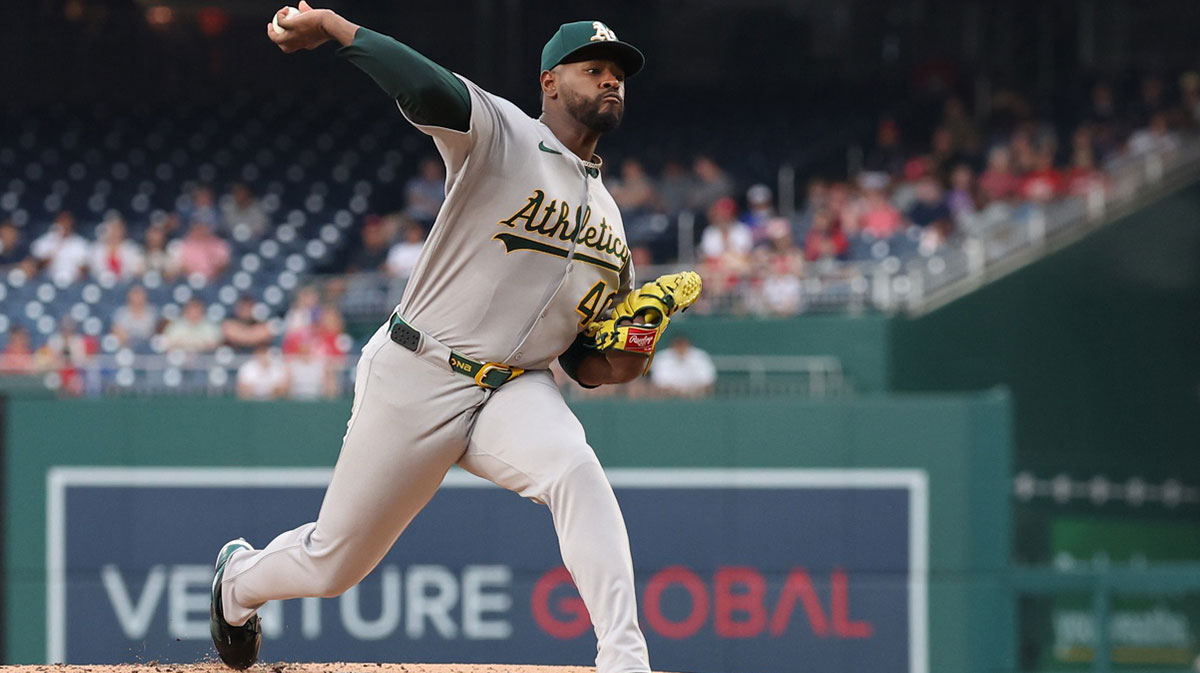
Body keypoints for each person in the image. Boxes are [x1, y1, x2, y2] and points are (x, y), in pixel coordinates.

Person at [210, 10, 700, 673]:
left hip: (517, 388)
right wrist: (334, 26)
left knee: (577, 471)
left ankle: (625, 658)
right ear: (550, 82)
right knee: (335, 562)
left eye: (617, 74)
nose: (611, 82)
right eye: (595, 70)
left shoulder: (612, 223)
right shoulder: (504, 135)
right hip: (421, 366)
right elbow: (427, 88)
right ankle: (237, 581)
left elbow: (586, 364)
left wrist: (631, 352)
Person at [31, 211, 90, 285]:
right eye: (62, 221)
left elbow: (84, 271)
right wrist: (56, 244)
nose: (65, 225)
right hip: (47, 282)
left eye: (67, 222)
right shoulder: (45, 241)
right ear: (56, 223)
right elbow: (38, 267)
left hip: (73, 284)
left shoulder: (80, 243)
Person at [648, 333, 716, 397]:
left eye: (683, 344)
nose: (680, 348)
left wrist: (691, 390)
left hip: (696, 395)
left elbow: (707, 379)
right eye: (677, 345)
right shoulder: (662, 358)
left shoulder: (700, 356)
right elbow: (659, 381)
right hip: (669, 396)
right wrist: (677, 391)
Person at [88, 213, 145, 281]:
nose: (115, 232)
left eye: (118, 228)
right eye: (112, 227)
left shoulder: (132, 248)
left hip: (125, 285)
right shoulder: (96, 248)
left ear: (124, 229)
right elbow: (92, 271)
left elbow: (138, 271)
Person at [110, 285, 159, 349]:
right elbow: (116, 330)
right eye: (135, 294)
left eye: (139, 294)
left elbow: (156, 332)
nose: (137, 297)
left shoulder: (152, 312)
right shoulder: (121, 313)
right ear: (129, 295)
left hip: (148, 346)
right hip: (127, 346)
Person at [404, 157, 446, 227]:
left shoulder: (445, 185)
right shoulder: (415, 184)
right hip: (415, 221)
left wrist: (426, 202)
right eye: (428, 169)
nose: (431, 171)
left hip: (438, 221)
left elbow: (441, 208)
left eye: (434, 168)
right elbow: (413, 202)